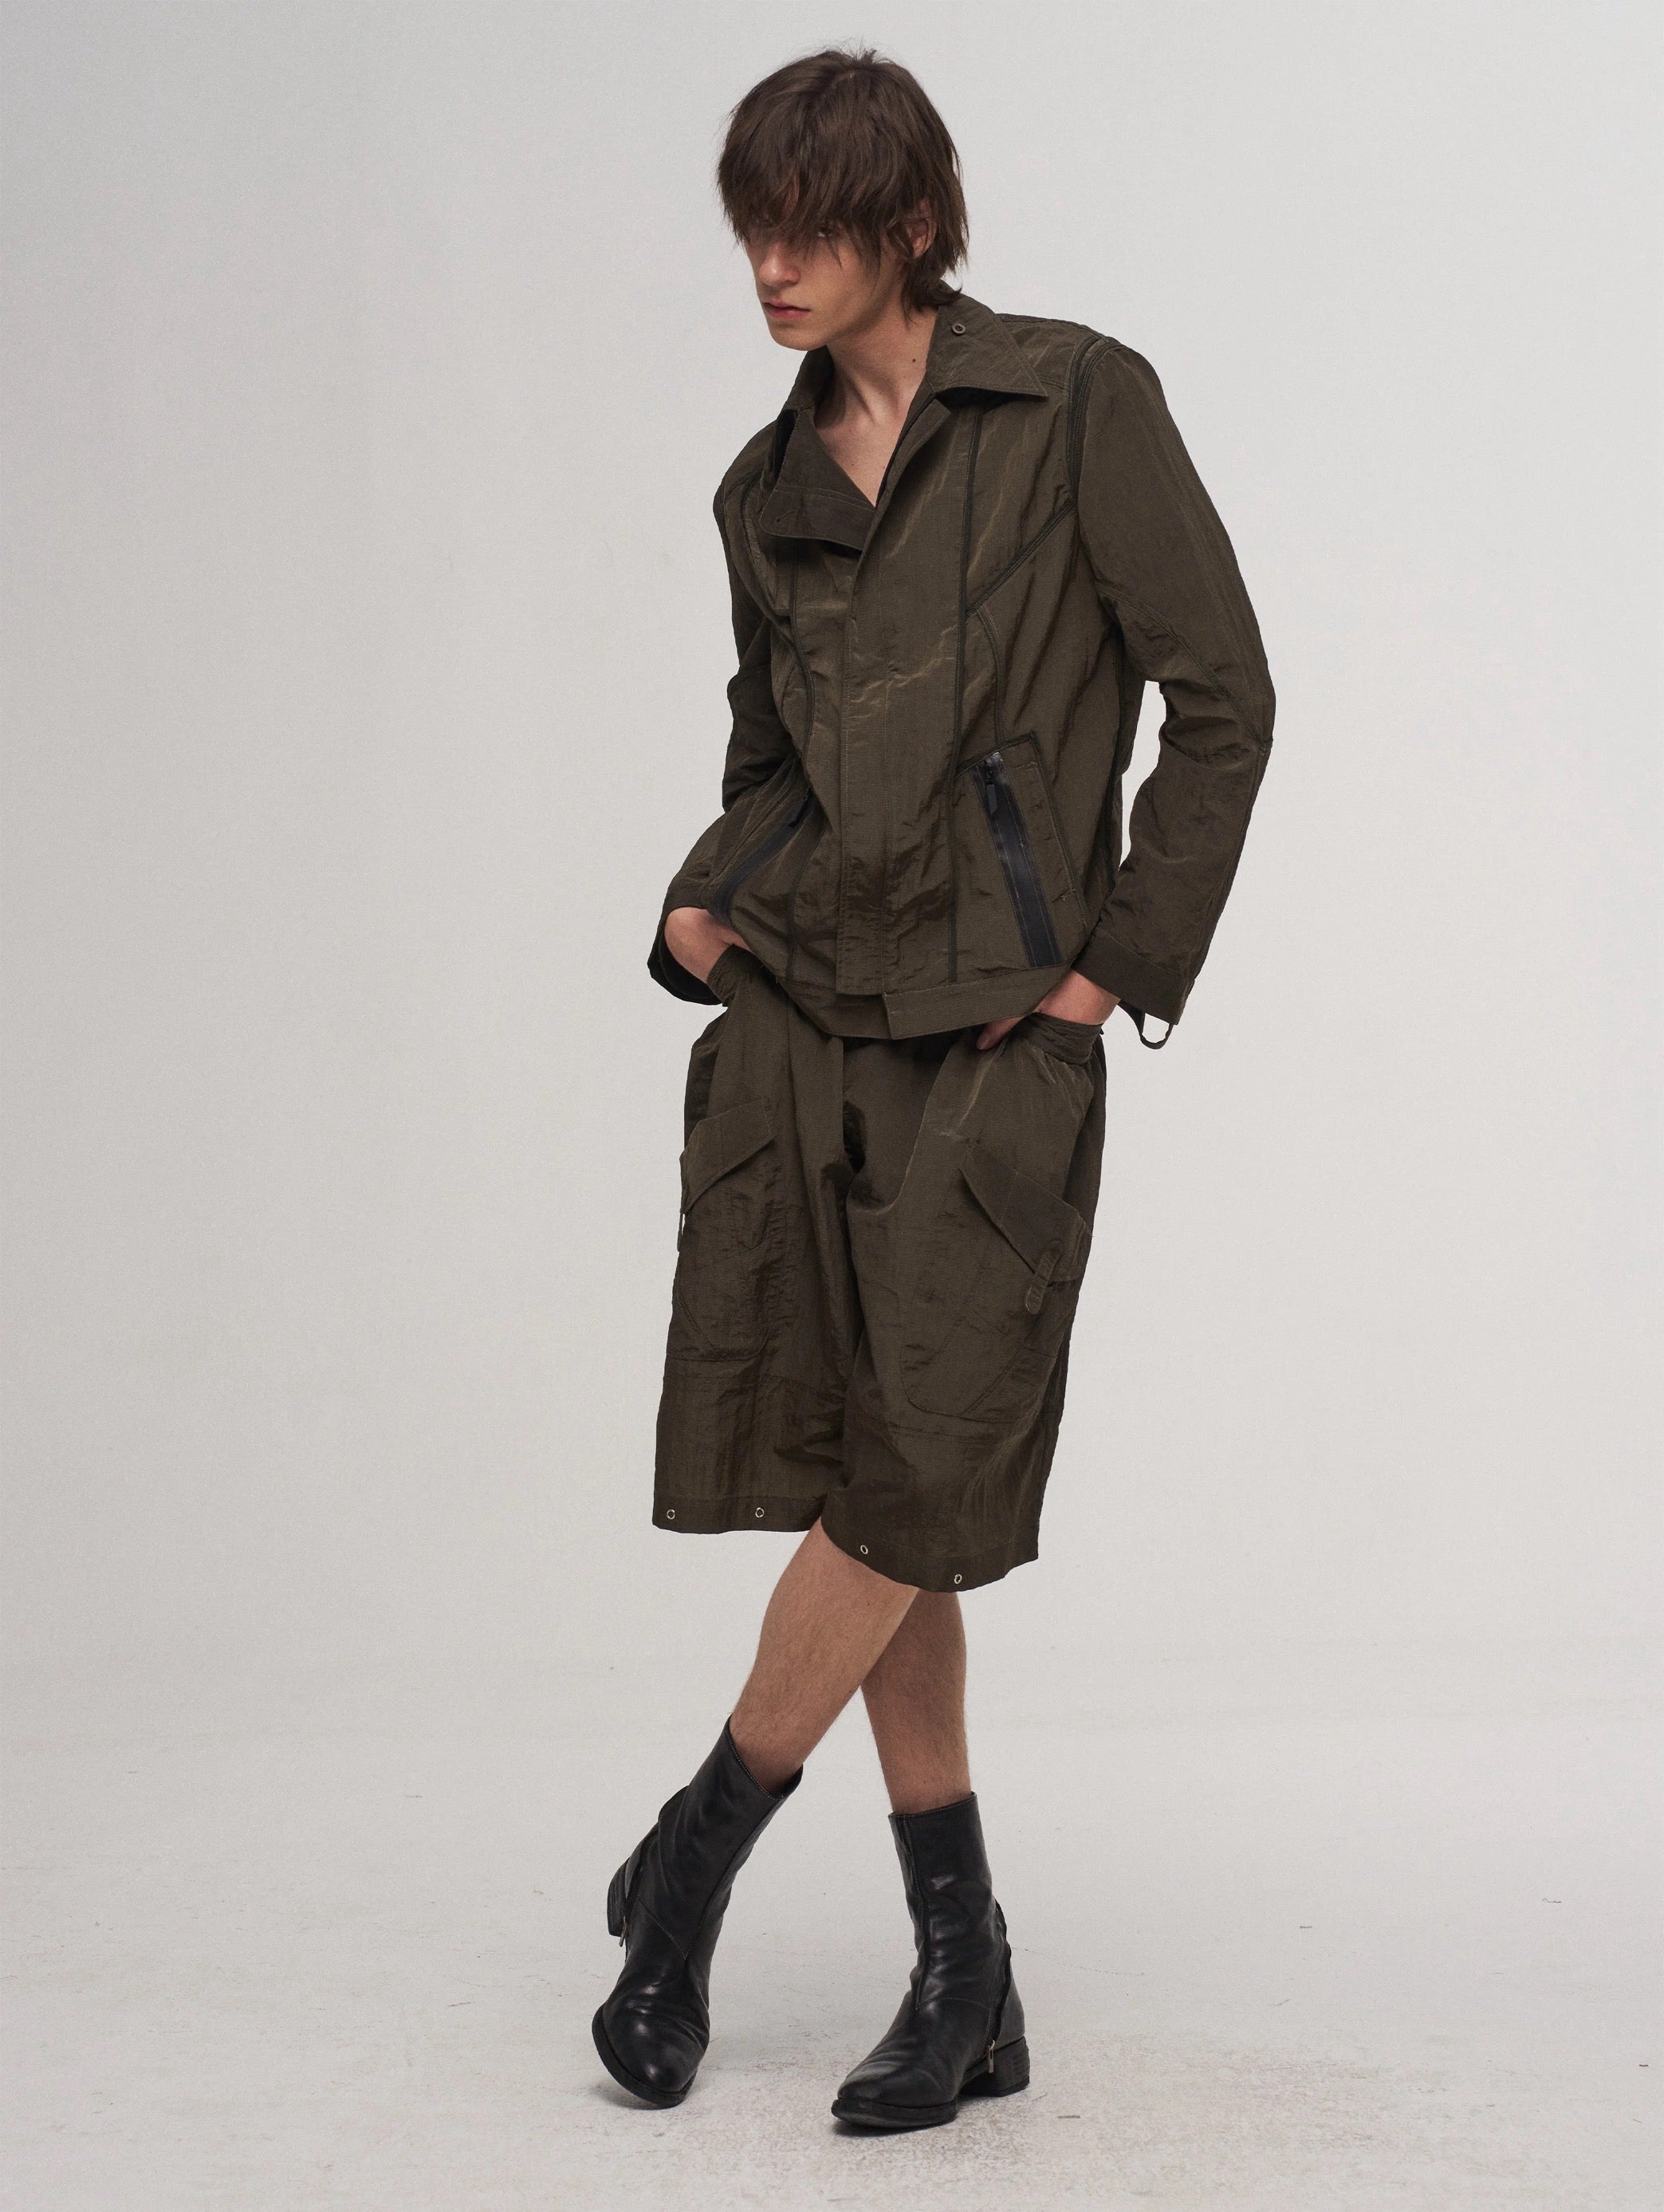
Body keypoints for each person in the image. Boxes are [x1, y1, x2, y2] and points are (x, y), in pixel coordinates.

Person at [592, 47, 1273, 2132]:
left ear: (908, 223)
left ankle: (693, 1855)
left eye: (807, 228)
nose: (770, 268)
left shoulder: (1073, 402)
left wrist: (1109, 970)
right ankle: (968, 1976)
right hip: (809, 1021)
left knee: (916, 1476)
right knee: (876, 1487)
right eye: (752, 230)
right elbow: (769, 757)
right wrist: (704, 900)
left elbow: (1224, 700)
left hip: (1001, 1036)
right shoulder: (764, 490)